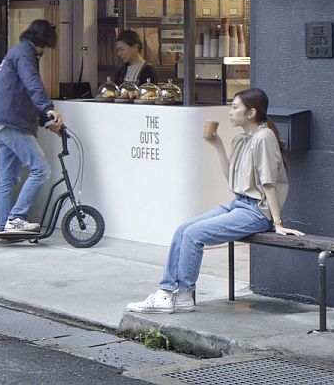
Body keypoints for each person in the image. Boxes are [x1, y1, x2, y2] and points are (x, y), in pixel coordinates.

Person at [127, 88, 301, 313]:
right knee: (183, 229)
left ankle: (181, 293)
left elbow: (268, 183)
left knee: (193, 235)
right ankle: (170, 293)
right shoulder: (242, 139)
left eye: (235, 107)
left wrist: (277, 224)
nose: (230, 112)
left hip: (256, 211)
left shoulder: (264, 138)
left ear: (251, 113)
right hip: (238, 203)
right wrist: (217, 143)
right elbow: (232, 179)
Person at [0, 19, 65, 233]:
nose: (44, 52)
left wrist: (46, 122)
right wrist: (49, 108)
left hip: (0, 123)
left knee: (7, 178)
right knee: (41, 169)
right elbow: (32, 83)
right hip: (12, 123)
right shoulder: (25, 53)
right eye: (45, 47)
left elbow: (21, 94)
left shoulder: (17, 52)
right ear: (42, 41)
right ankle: (16, 217)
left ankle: (4, 229)